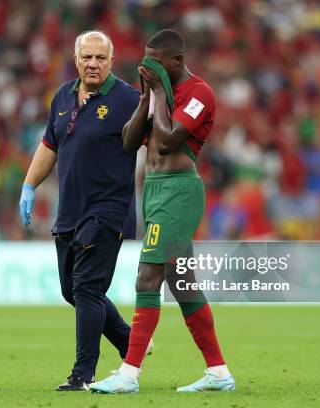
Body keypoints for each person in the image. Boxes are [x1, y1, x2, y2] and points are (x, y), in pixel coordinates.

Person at [90, 29, 235, 393]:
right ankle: (218, 373)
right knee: (183, 286)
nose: (148, 66)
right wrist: (145, 98)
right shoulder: (156, 93)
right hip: (153, 192)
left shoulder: (199, 93)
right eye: (145, 59)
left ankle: (129, 375)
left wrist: (157, 93)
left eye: (156, 61)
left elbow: (170, 138)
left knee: (147, 276)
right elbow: (128, 142)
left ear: (177, 60)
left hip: (178, 192)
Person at [19, 30, 148, 391]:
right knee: (71, 291)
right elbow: (49, 145)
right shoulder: (62, 95)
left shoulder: (128, 99)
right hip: (70, 211)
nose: (93, 64)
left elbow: (159, 140)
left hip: (108, 210)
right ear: (76, 59)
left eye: (100, 58)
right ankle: (130, 343)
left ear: (111, 60)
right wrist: (29, 185)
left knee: (88, 289)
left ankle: (82, 374)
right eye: (87, 57)